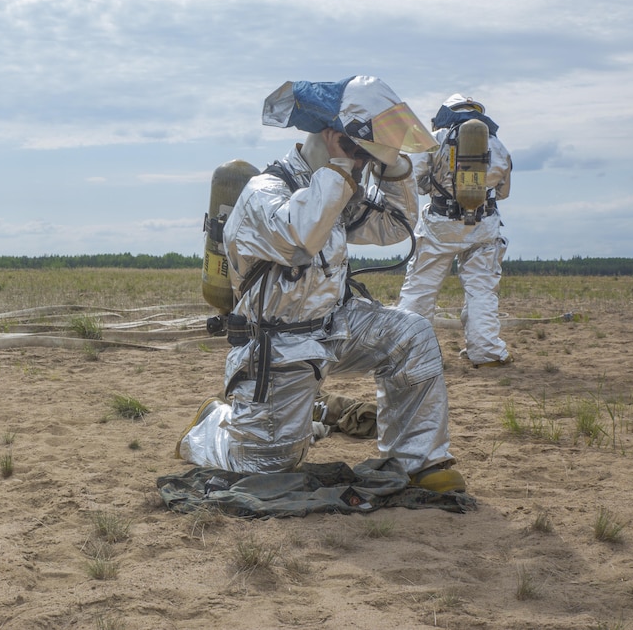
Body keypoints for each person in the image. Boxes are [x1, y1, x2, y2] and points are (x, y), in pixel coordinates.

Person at [177, 76, 466, 493]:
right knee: (268, 466)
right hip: (279, 344)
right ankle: (212, 424)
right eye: (363, 155)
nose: (365, 167)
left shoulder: (335, 190)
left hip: (333, 326)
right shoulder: (265, 193)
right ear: (335, 140)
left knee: (412, 335)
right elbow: (301, 237)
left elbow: (393, 227)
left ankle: (419, 460)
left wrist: (397, 167)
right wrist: (341, 166)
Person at [396, 94, 513, 368]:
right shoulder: (497, 145)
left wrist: (434, 186)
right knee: (482, 290)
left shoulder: (434, 138)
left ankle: (410, 352)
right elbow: (503, 192)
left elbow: (413, 180)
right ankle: (487, 353)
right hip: (484, 225)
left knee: (421, 289)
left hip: (440, 224)